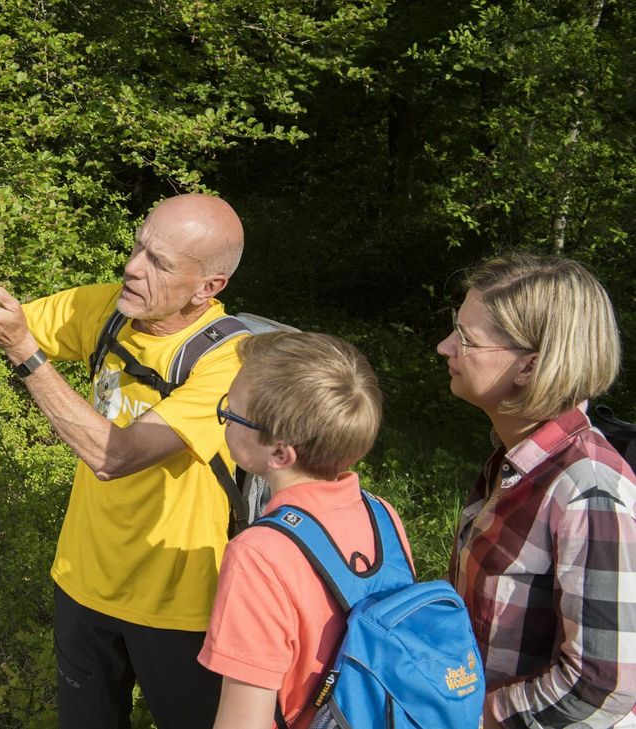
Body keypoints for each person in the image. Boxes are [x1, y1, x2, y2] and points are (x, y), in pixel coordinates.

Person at [0, 193, 245, 728]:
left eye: (158, 262)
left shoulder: (226, 361)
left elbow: (112, 455)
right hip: (84, 582)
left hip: (181, 604)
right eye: (138, 246)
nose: (132, 267)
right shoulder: (105, 310)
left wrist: (26, 355)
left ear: (207, 287)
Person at [437, 252, 636, 728]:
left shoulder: (587, 491)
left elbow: (601, 686)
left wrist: (470, 717)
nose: (445, 347)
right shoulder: (514, 461)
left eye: (467, 339)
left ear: (529, 366)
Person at [197, 330, 409, 728]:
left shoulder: (258, 555)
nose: (223, 418)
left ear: (279, 452)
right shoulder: (383, 516)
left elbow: (244, 722)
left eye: (231, 412)